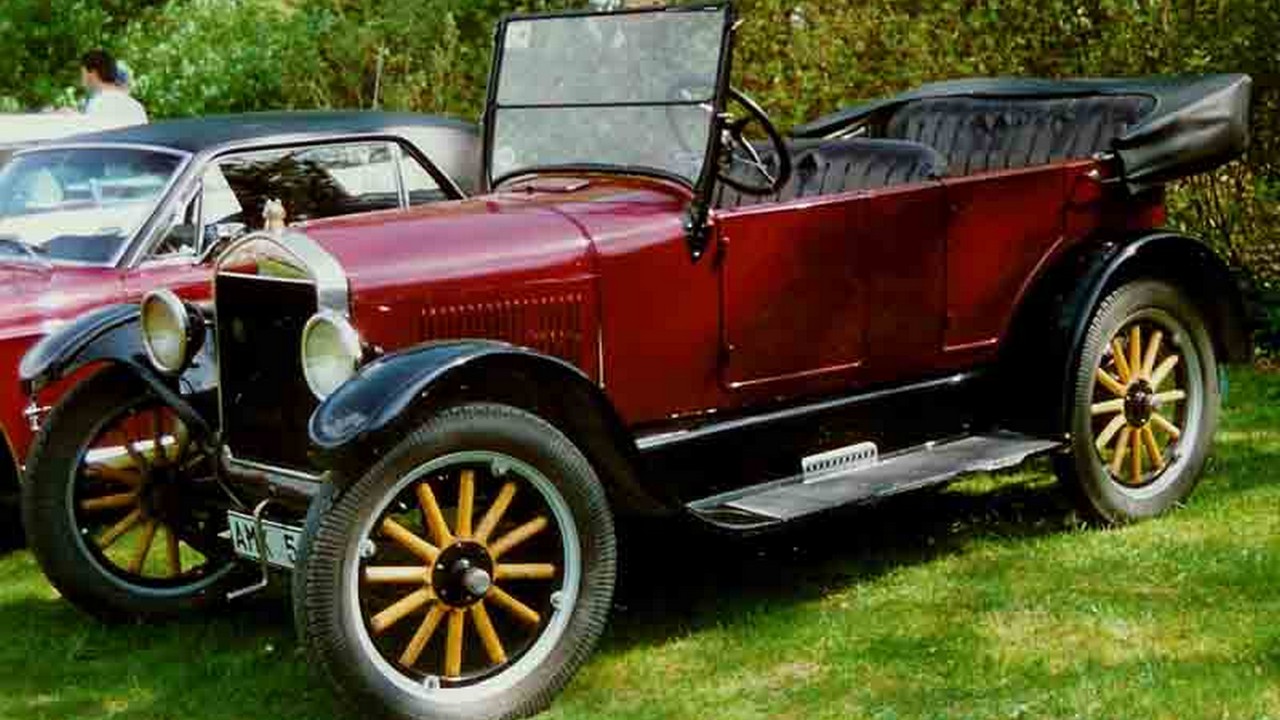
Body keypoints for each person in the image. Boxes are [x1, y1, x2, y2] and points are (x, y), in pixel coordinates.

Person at [79, 49, 147, 130]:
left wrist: (72, 118)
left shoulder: (98, 104)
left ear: (92, 72)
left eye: (82, 72)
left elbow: (89, 137)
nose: (81, 77)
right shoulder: (137, 107)